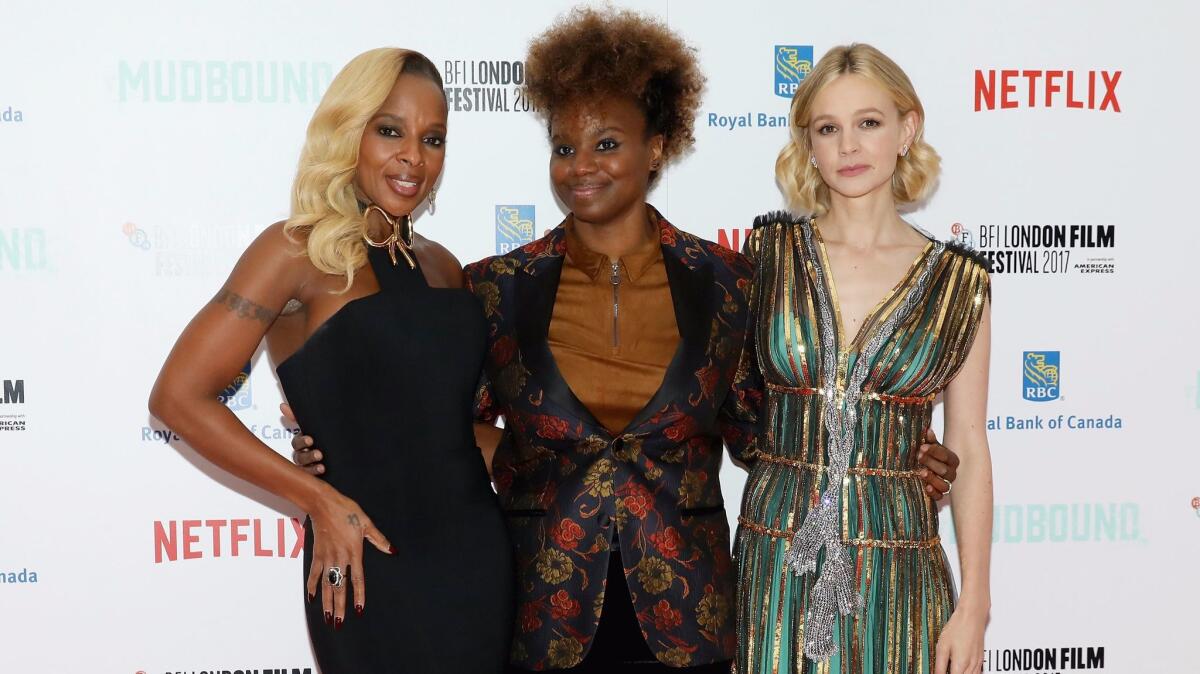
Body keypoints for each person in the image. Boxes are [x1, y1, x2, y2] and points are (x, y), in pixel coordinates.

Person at [294, 11, 961, 673]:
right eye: (564, 148)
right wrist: (339, 444)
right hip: (539, 615)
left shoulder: (729, 282)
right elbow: (443, 429)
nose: (581, 167)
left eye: (607, 144)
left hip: (691, 622)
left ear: (658, 147)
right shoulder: (496, 288)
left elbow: (767, 436)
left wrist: (899, 450)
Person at [148, 48, 513, 673]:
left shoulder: (444, 266)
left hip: (478, 559)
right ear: (349, 130)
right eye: (390, 130)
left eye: (432, 139)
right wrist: (316, 498)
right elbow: (177, 396)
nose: (413, 157)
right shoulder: (294, 252)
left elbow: (442, 427)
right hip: (366, 561)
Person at [734, 44, 993, 674]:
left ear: (907, 130)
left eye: (868, 123)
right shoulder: (766, 254)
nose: (848, 146)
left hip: (900, 565)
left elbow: (970, 445)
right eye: (829, 128)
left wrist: (975, 607)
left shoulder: (960, 285)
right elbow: (725, 402)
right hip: (777, 556)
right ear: (810, 143)